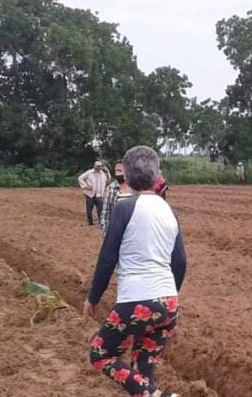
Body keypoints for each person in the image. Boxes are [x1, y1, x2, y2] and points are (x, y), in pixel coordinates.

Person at [84, 146, 187, 397]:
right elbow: (181, 262)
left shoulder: (125, 207)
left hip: (136, 299)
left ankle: (161, 396)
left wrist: (93, 298)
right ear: (156, 175)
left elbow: (108, 257)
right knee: (144, 369)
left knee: (101, 354)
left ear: (126, 178)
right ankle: (151, 392)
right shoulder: (169, 211)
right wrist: (166, 296)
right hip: (168, 302)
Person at [100, 161, 135, 234]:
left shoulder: (135, 188)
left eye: (120, 171)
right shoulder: (111, 188)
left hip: (133, 230)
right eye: (116, 171)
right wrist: (106, 233)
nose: (117, 173)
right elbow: (105, 213)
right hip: (116, 230)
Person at [78, 161, 110, 227]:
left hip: (99, 194)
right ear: (94, 166)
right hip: (90, 194)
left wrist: (107, 172)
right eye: (97, 166)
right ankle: (90, 222)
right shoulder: (89, 173)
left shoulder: (103, 174)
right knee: (89, 209)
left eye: (100, 166)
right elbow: (80, 178)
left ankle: (101, 222)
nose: (99, 168)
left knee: (100, 209)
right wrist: (85, 186)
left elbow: (108, 180)